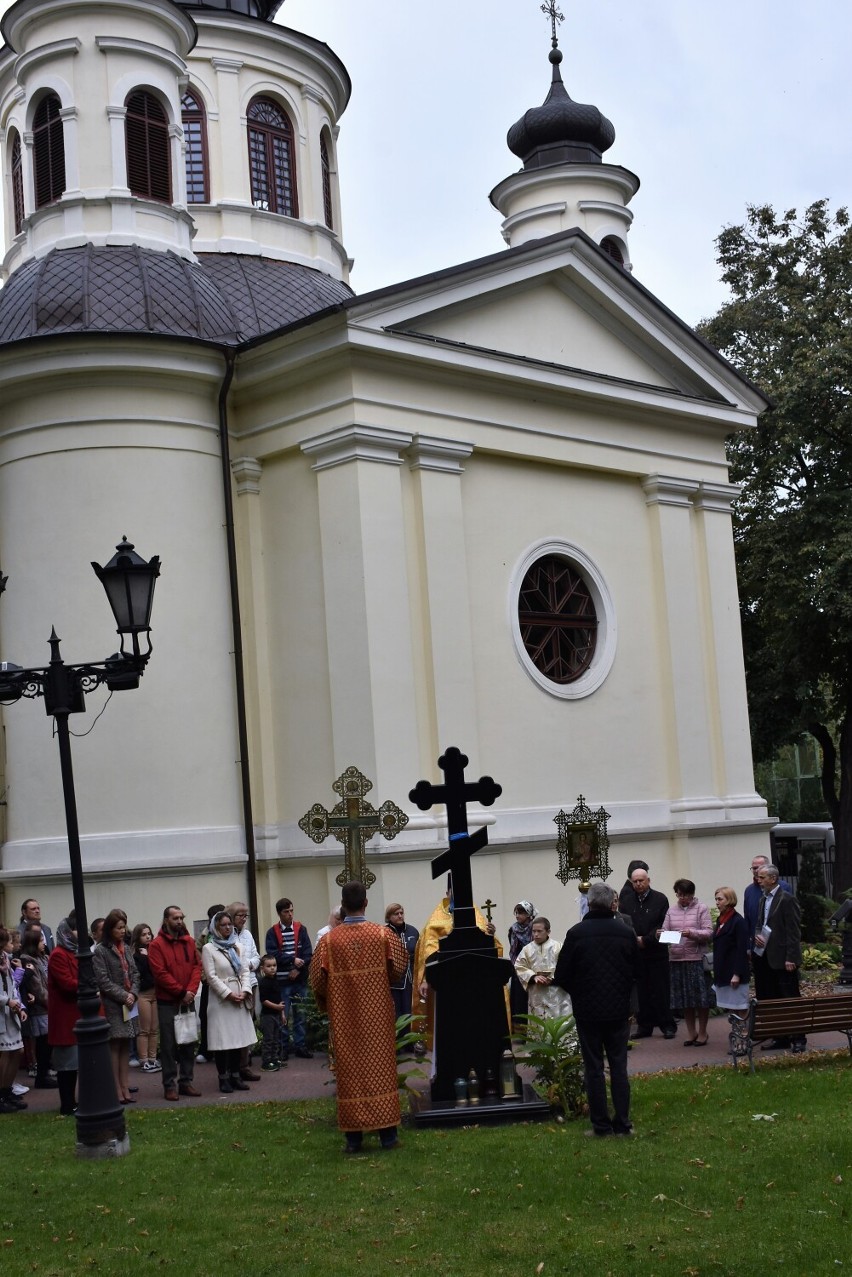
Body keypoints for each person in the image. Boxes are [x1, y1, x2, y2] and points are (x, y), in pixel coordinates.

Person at [309, 881, 408, 1153]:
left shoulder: (328, 941)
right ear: (365, 903)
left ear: (343, 906)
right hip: (377, 1017)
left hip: (345, 1018)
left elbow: (317, 979)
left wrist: (327, 1001)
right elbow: (399, 967)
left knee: (350, 1072)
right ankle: (387, 1136)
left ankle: (354, 1140)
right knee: (381, 1069)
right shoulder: (383, 935)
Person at [554, 883, 640, 1138]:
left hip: (588, 1011)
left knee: (593, 1068)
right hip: (618, 1010)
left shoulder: (577, 933)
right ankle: (623, 1124)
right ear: (611, 902)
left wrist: (579, 993)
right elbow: (638, 971)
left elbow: (562, 974)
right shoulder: (625, 932)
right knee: (618, 1066)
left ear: (590, 903)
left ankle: (601, 1125)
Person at [412, 876, 501, 1052]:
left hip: (473, 979)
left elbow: (488, 945)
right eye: (454, 892)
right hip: (447, 980)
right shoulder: (436, 919)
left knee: (474, 1024)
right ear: (447, 893)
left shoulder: (476, 915)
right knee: (449, 1026)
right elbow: (429, 950)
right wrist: (426, 979)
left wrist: (490, 935)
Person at [148, 904, 203, 1100]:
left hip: (187, 999)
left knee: (188, 1042)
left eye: (181, 918)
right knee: (169, 1045)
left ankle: (186, 1081)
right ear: (166, 920)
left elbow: (197, 966)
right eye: (175, 918)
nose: (179, 921)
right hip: (168, 1002)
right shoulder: (156, 945)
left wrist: (191, 990)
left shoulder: (189, 941)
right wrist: (181, 992)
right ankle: (169, 1085)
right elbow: (160, 973)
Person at [752, 862, 806, 1052]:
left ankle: (799, 1037)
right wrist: (758, 936)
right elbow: (760, 923)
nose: (758, 880)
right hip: (765, 956)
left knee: (790, 998)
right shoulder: (762, 900)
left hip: (783, 958)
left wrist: (791, 957)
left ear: (772, 878)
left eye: (762, 877)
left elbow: (793, 931)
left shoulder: (786, 899)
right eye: (758, 877)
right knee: (772, 997)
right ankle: (780, 1036)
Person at [201, 911, 257, 1093]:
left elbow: (244, 971)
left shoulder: (237, 946)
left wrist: (246, 990)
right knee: (222, 1042)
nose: (227, 928)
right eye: (223, 925)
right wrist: (227, 994)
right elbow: (211, 976)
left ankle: (235, 1075)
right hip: (221, 1001)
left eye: (229, 924)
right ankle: (223, 1078)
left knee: (237, 1040)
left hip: (239, 996)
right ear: (216, 928)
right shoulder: (209, 948)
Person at [620, 865, 676, 1039]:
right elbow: (624, 922)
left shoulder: (660, 899)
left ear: (648, 881)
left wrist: (646, 940)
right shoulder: (627, 901)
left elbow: (664, 925)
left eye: (641, 881)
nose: (638, 884)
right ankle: (644, 1026)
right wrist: (634, 939)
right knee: (642, 992)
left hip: (657, 951)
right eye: (635, 881)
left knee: (661, 989)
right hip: (637, 953)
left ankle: (667, 1025)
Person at [93, 908, 140, 1104]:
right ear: (110, 929)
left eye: (124, 927)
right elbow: (103, 981)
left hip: (129, 1003)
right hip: (113, 1004)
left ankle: (125, 1085)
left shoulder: (127, 948)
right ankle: (116, 1089)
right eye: (119, 927)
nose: (123, 931)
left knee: (125, 1045)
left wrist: (133, 994)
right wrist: (124, 996)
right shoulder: (101, 951)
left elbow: (136, 974)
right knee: (115, 1045)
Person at [658, 880, 713, 1047]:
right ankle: (691, 1032)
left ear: (692, 894)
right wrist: (660, 933)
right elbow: (664, 929)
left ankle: (703, 1032)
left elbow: (709, 932)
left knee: (700, 1000)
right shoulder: (671, 910)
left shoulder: (701, 908)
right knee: (684, 999)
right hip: (677, 959)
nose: (683, 898)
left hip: (695, 959)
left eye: (686, 895)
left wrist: (691, 933)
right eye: (680, 895)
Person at [265, 898, 313, 1060]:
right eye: (286, 912)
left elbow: (307, 954)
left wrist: (298, 969)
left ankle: (301, 1046)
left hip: (299, 980)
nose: (290, 914)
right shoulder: (272, 933)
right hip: (282, 982)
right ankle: (283, 1047)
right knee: (283, 1015)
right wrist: (292, 961)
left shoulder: (301, 929)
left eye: (291, 910)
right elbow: (273, 955)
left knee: (300, 1015)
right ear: (279, 913)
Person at [47, 914, 80, 1116]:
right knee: (66, 1065)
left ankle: (71, 1101)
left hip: (73, 1015)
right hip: (64, 1017)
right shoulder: (59, 955)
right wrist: (87, 985)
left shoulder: (73, 953)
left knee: (73, 1064)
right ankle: (67, 1104)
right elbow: (67, 984)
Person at [514, 917, 572, 1027]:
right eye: (533, 931)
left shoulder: (558, 947)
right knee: (538, 1023)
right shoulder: (527, 949)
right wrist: (533, 977)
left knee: (559, 1022)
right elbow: (519, 966)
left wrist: (553, 978)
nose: (536, 934)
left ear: (548, 931)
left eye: (539, 931)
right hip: (537, 993)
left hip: (556, 992)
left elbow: (566, 966)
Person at [229, 902, 261, 1082]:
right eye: (241, 915)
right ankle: (234, 1066)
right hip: (235, 985)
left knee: (248, 1023)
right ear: (232, 917)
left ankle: (245, 1065)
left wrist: (250, 964)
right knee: (236, 1025)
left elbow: (256, 957)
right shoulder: (227, 934)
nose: (244, 919)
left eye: (246, 915)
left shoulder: (248, 935)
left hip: (251, 982)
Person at [19, 925, 55, 1088]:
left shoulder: (43, 958)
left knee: (47, 1043)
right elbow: (36, 987)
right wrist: (50, 1001)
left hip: (48, 1005)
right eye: (40, 940)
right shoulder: (28, 960)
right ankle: (42, 1076)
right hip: (40, 1008)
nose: (43, 943)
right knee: (42, 1043)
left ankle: (45, 1072)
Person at [0, 926, 28, 1113]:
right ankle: (1, 1094)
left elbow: (12, 986)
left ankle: (7, 1090)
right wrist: (7, 1000)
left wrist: (18, 1004)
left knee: (17, 1051)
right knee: (5, 1053)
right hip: (2, 1013)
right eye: (10, 941)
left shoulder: (7, 961)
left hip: (11, 1012)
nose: (12, 945)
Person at [711, 887, 750, 1019]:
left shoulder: (738, 921)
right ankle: (736, 1032)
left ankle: (744, 1032)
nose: (717, 902)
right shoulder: (721, 920)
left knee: (740, 1005)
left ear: (729, 900)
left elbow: (741, 950)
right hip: (723, 970)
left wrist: (737, 974)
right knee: (731, 1006)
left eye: (720, 899)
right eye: (716, 899)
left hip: (734, 971)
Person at [743, 854, 792, 952]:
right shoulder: (749, 891)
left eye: (759, 867)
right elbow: (747, 919)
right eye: (754, 868)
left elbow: (790, 921)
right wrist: (748, 946)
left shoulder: (783, 888)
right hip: (757, 947)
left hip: (778, 947)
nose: (756, 870)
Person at [195, 903, 225, 1063]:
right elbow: (198, 956)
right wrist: (204, 975)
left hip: (226, 982)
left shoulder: (230, 933)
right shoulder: (205, 935)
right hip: (209, 982)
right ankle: (205, 1049)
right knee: (205, 1015)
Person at [131, 923, 160, 1072]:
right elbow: (140, 973)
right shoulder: (135, 955)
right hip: (143, 994)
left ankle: (153, 1058)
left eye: (149, 933)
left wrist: (149, 957)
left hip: (156, 992)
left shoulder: (153, 951)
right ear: (137, 937)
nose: (148, 936)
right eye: (143, 934)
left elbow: (158, 969)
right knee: (144, 1029)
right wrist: (146, 958)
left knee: (154, 1029)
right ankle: (144, 1060)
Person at [385, 904, 419, 1021]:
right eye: (396, 914)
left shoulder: (413, 931)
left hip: (410, 980)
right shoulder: (384, 933)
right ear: (389, 917)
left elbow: (418, 955)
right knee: (395, 1015)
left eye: (401, 913)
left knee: (409, 1012)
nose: (400, 916)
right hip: (391, 982)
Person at [508, 901, 535, 1026]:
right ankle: (521, 1029)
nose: (518, 916)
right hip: (519, 968)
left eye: (521, 913)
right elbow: (513, 950)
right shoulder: (513, 929)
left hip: (533, 967)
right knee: (519, 999)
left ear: (528, 914)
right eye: (517, 913)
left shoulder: (535, 928)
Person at [257, 954, 286, 1072]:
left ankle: (275, 1059)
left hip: (276, 1014)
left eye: (274, 965)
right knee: (268, 1039)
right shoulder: (264, 982)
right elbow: (264, 1001)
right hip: (268, 1015)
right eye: (269, 966)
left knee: (276, 1038)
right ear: (262, 968)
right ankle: (266, 1061)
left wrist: (282, 1013)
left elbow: (280, 999)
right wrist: (277, 1007)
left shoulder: (276, 980)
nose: (272, 968)